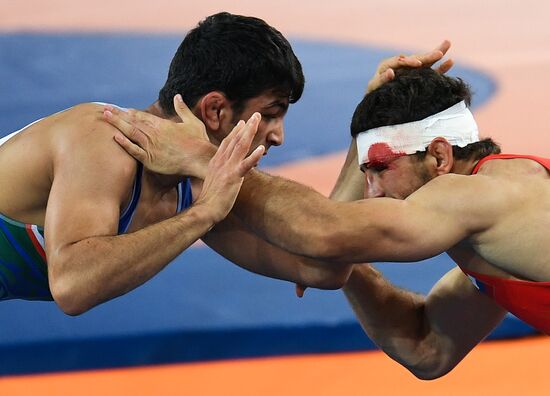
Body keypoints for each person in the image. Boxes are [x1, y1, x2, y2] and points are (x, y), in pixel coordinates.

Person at [107, 49, 550, 379]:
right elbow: (425, 346)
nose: (371, 194)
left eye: (380, 170)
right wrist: (347, 260)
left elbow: (322, 230)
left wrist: (205, 159)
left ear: (438, 156)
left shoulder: (473, 196)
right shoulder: (493, 234)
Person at [0, 12, 315, 314]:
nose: (278, 137)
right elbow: (72, 285)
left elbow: (318, 265)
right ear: (215, 110)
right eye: (271, 115)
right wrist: (203, 215)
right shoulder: (104, 142)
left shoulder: (198, 185)